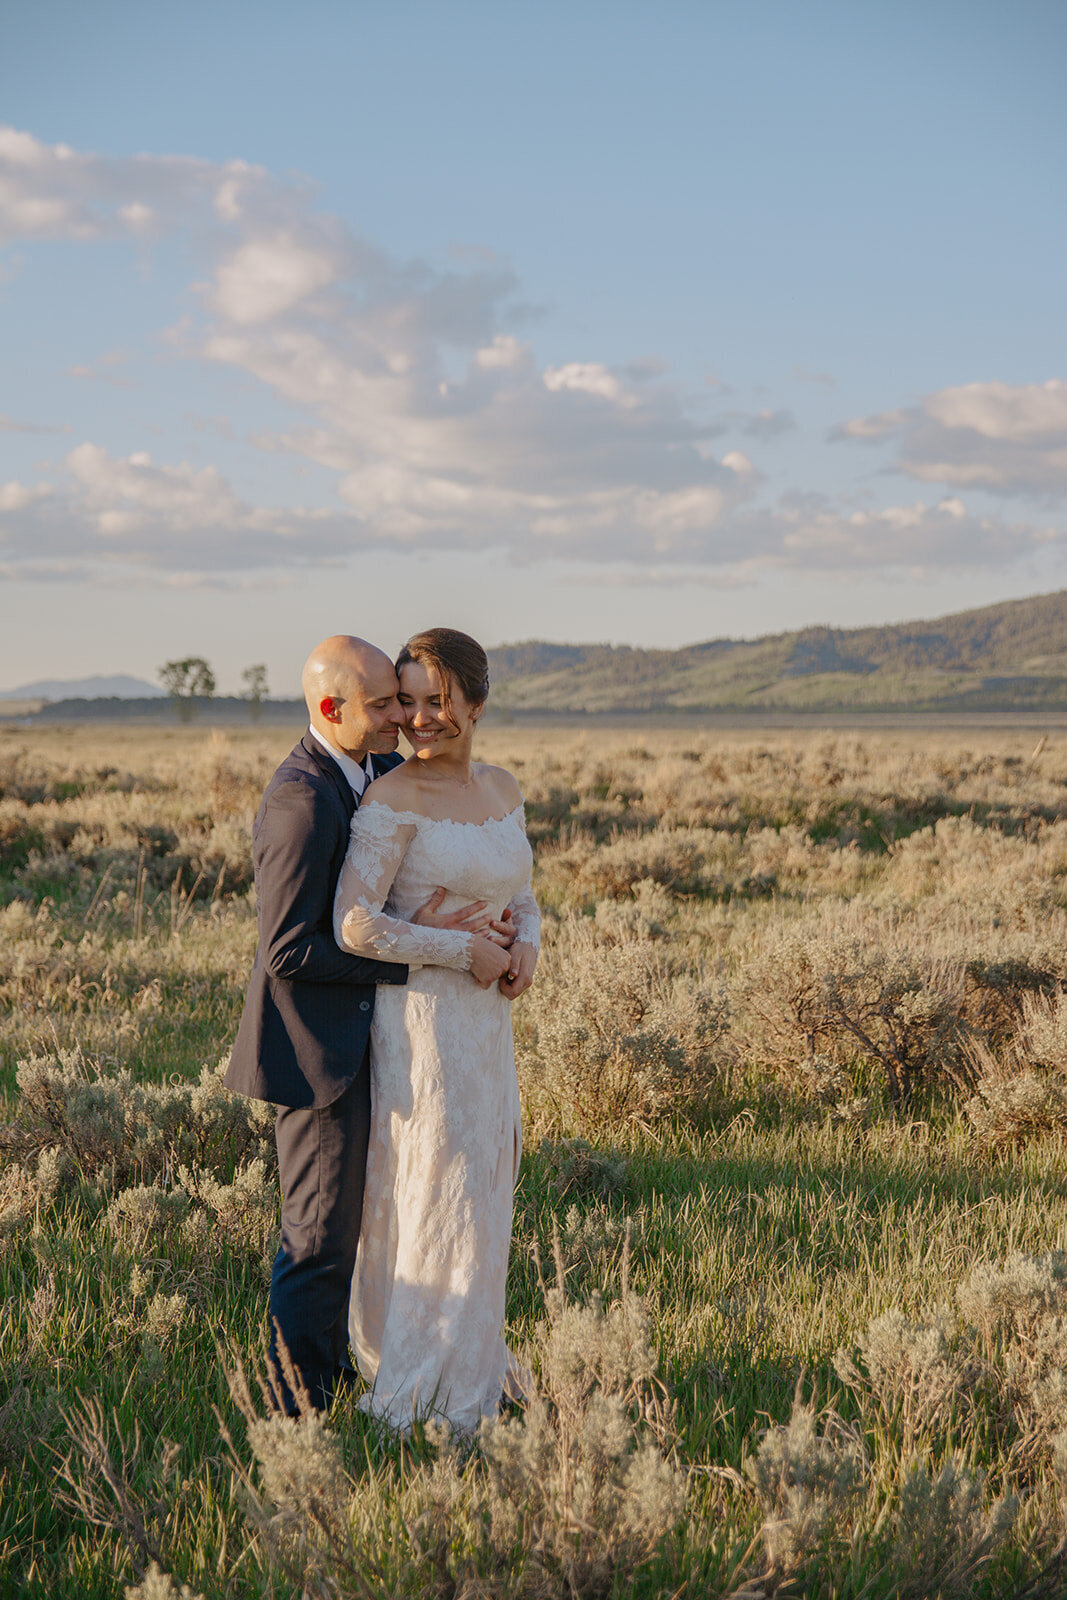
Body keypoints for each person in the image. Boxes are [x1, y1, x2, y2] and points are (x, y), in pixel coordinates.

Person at [225, 635, 503, 1414]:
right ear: (329, 709)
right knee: (317, 1236)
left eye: (402, 699)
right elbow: (287, 949)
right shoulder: (301, 799)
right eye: (382, 704)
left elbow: (391, 886)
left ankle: (355, 1366)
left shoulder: (376, 772)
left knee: (376, 1215)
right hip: (319, 1053)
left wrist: (429, 921)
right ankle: (295, 1404)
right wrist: (424, 958)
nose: (398, 718)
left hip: (383, 1040)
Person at [333, 627, 540, 1433]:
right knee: (436, 1182)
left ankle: (476, 1356)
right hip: (423, 1021)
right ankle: (423, 1383)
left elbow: (523, 891)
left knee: (485, 1182)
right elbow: (354, 923)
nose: (419, 720)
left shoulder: (502, 786)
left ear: (477, 706)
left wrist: (524, 945)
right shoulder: (393, 800)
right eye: (408, 702)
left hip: (487, 1027)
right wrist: (464, 952)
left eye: (438, 702)